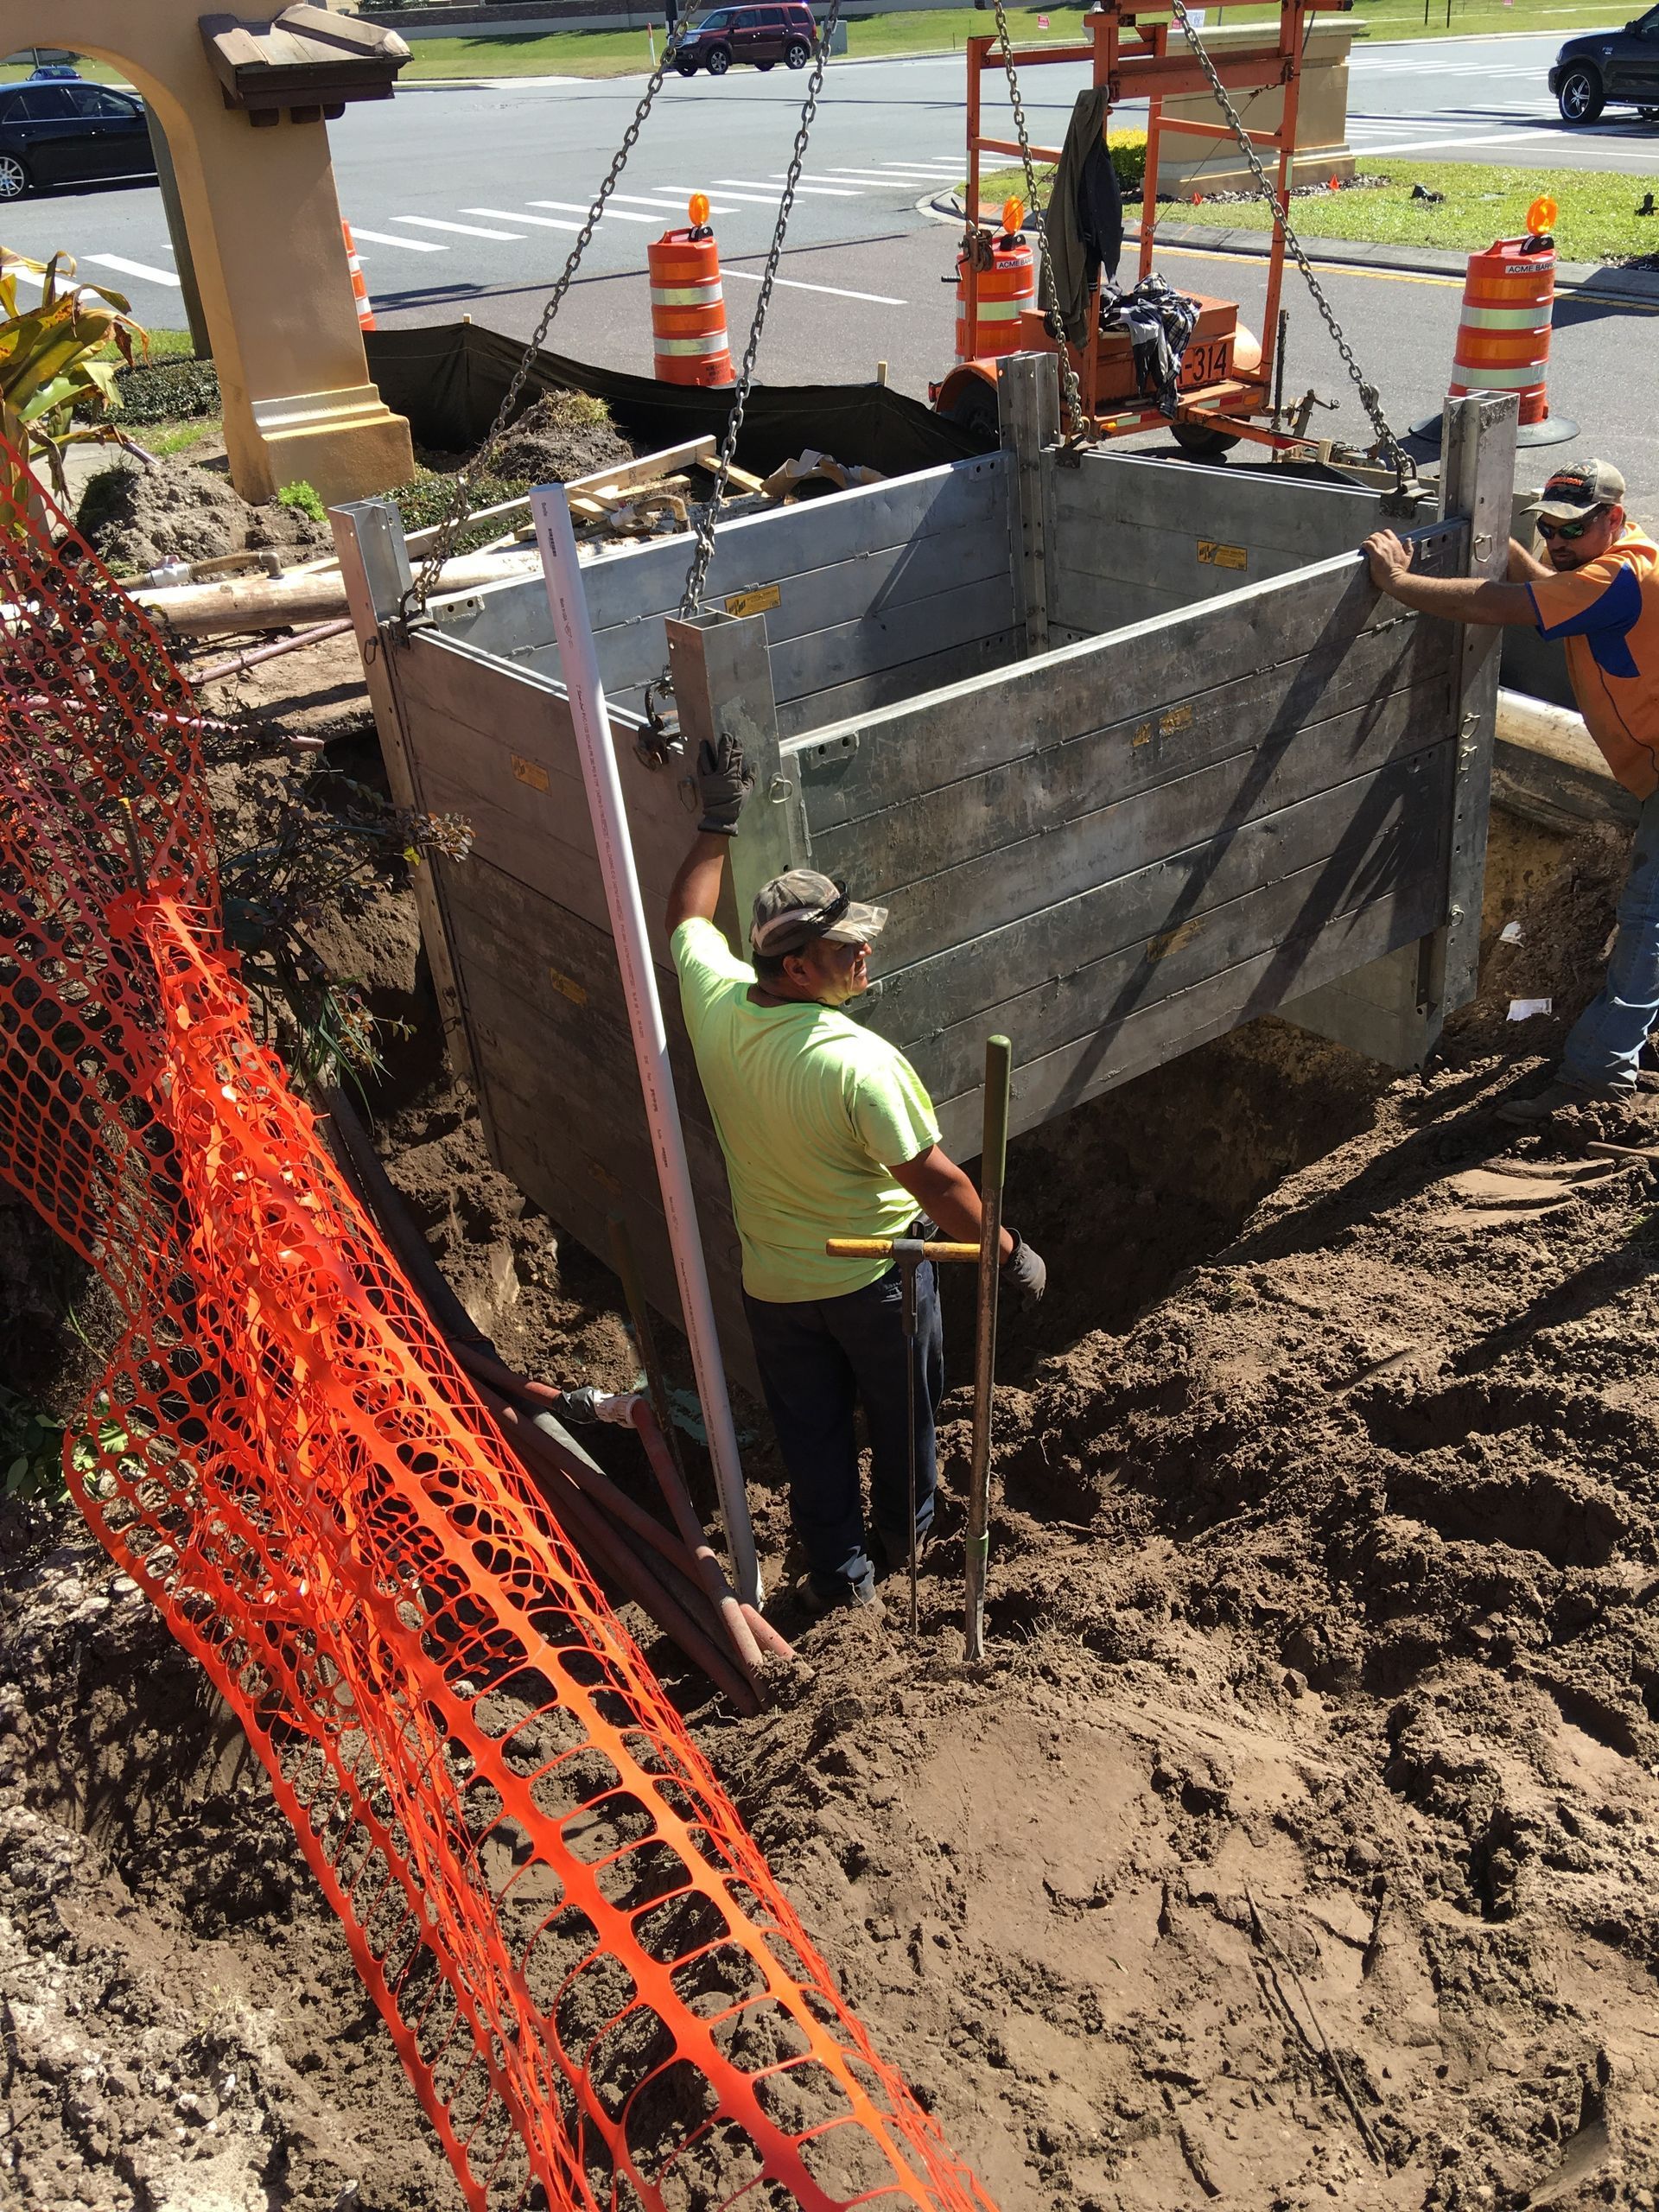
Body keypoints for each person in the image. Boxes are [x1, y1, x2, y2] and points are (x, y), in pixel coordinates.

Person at [664, 732, 1047, 1618]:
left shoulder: (720, 1002)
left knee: (813, 1437)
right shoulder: (858, 1062)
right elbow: (938, 1185)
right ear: (795, 965)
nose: (861, 959)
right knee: (907, 1418)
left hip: (777, 1285)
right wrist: (1007, 1246)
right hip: (879, 1281)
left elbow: (686, 918)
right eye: (844, 952)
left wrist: (714, 823)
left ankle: (843, 1580)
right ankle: (906, 1538)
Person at [1363, 460, 1659, 1123]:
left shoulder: (1622, 578)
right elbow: (1555, 585)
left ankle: (1598, 1080)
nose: (1558, 539)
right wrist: (1505, 545)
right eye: (1548, 526)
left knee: (1646, 921)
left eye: (1573, 529)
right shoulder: (1610, 564)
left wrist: (1400, 581)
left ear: (1613, 519)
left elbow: (1504, 606)